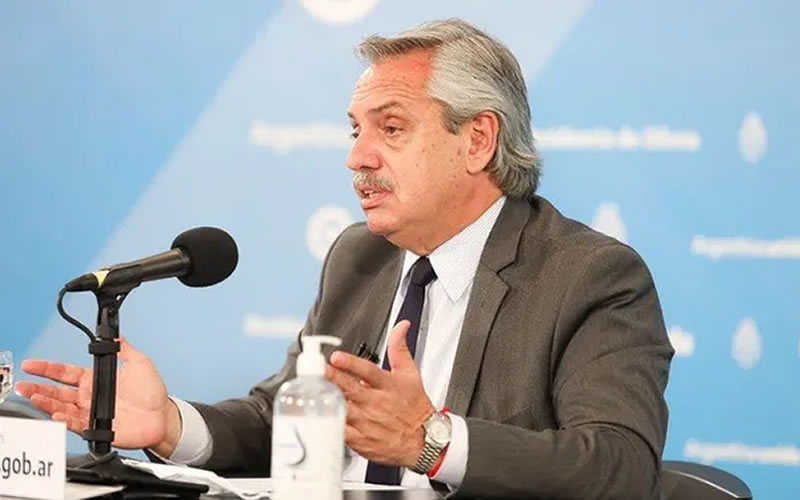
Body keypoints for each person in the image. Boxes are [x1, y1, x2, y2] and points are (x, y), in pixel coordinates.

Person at [16, 19, 674, 499]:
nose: (357, 157)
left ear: (477, 140)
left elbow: (618, 467)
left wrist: (431, 441)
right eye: (355, 130)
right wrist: (170, 424)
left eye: (391, 128)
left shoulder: (588, 276)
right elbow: (284, 417)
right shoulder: (361, 256)